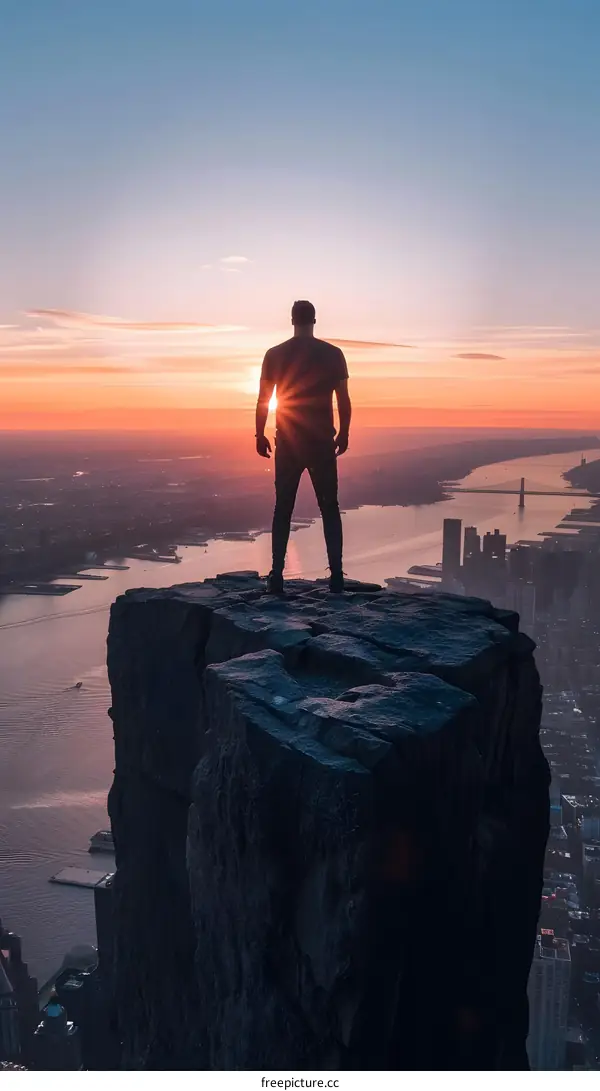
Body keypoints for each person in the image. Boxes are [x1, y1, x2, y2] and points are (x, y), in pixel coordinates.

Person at [255, 300, 351, 593]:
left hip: (288, 440)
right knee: (329, 507)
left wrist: (259, 434)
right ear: (315, 320)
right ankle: (336, 576)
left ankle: (276, 575)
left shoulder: (274, 354)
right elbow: (343, 400)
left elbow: (263, 399)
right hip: (321, 440)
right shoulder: (333, 354)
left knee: (283, 507)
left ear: (292, 320)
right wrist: (344, 433)